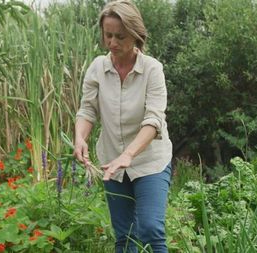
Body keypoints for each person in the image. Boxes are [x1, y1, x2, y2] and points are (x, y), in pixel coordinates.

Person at [73, 1, 173, 252]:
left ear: (136, 35)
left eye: (120, 36)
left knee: (151, 229)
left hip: (150, 161)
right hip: (111, 163)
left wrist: (128, 155)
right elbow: (87, 110)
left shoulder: (152, 70)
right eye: (108, 35)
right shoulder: (97, 68)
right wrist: (80, 137)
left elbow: (154, 120)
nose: (112, 43)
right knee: (125, 237)